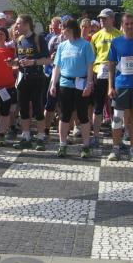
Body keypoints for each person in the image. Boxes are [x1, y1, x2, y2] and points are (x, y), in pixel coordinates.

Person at [105, 13, 133, 162]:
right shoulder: (116, 42)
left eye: (132, 23)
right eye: (127, 24)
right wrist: (110, 86)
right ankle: (115, 148)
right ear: (122, 25)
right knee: (117, 118)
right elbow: (111, 65)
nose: (130, 26)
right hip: (121, 85)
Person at [50, 18, 95, 158]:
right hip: (65, 84)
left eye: (63, 29)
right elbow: (57, 67)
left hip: (81, 83)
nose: (62, 32)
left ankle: (86, 146)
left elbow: (90, 66)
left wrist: (89, 84)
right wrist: (53, 84)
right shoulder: (62, 46)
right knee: (64, 115)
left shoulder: (85, 45)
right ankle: (62, 144)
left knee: (83, 115)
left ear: (70, 30)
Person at [12, 14, 50, 150]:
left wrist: (33, 62)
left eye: (18, 23)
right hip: (23, 78)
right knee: (23, 108)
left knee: (38, 108)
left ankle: (41, 137)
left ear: (27, 24)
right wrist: (13, 62)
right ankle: (26, 137)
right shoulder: (19, 40)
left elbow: (48, 60)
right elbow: (19, 59)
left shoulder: (38, 39)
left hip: (37, 78)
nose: (16, 26)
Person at [90, 8, 122, 147]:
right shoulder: (95, 36)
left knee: (116, 107)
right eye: (100, 18)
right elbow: (92, 58)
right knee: (98, 106)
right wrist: (90, 78)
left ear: (112, 19)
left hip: (116, 73)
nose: (102, 20)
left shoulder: (119, 35)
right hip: (99, 72)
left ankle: (118, 139)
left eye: (105, 18)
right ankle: (95, 136)